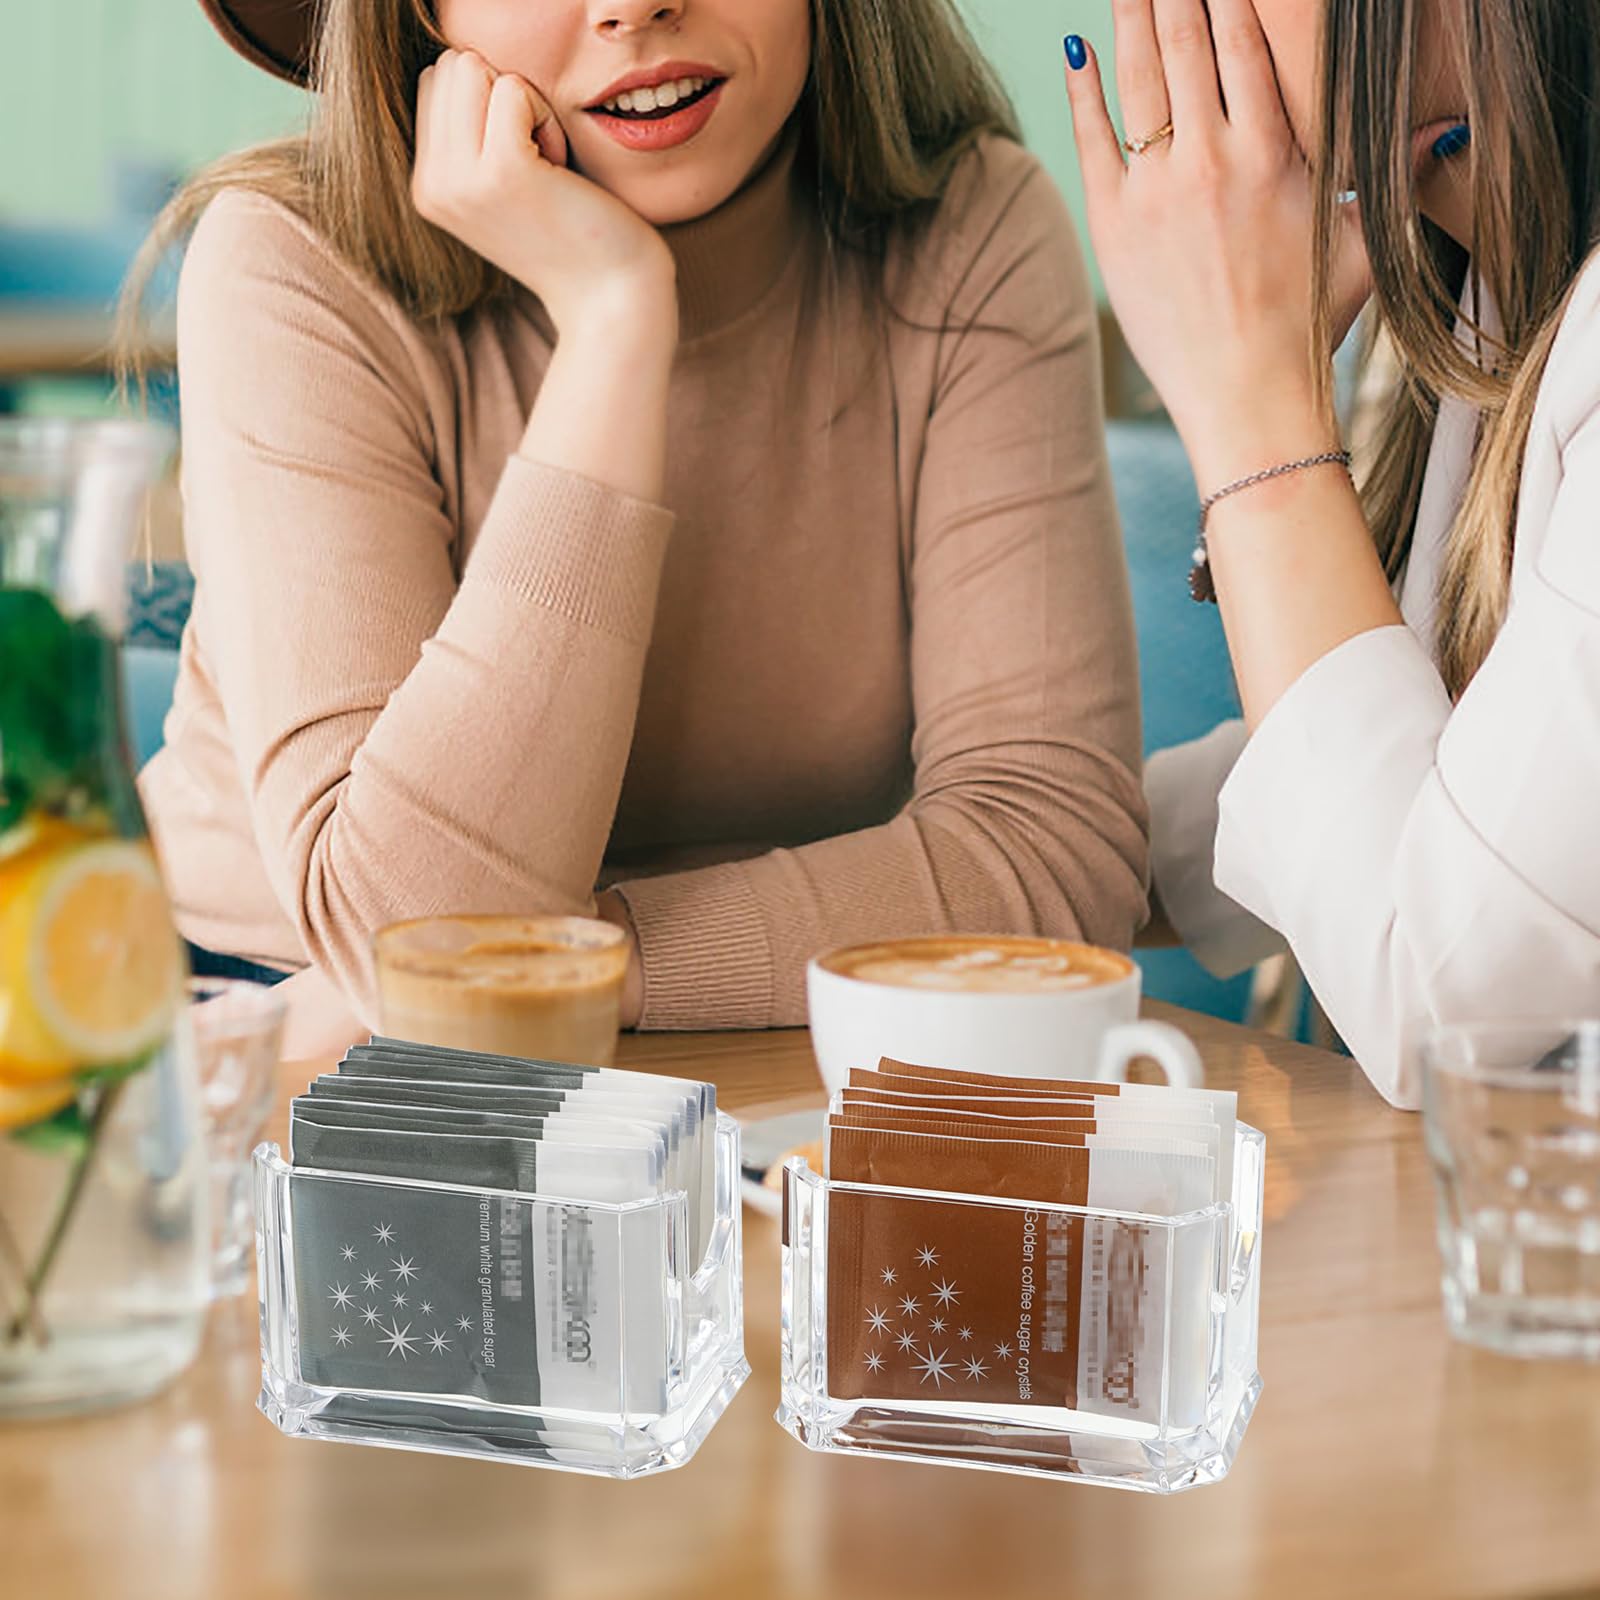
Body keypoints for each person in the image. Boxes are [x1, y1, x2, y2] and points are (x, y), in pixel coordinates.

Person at [129, 0, 1150, 1049]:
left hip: (751, 1041)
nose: (634, 6)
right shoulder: (295, 259)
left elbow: (1052, 847)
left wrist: (580, 961)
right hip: (267, 1042)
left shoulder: (970, 232)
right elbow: (403, 931)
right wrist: (614, 317)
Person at [1062, 0, 1600, 1107]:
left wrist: (1249, 408)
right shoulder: (1492, 294)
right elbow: (1451, 793)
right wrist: (1015, 854)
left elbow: (1449, 1000)